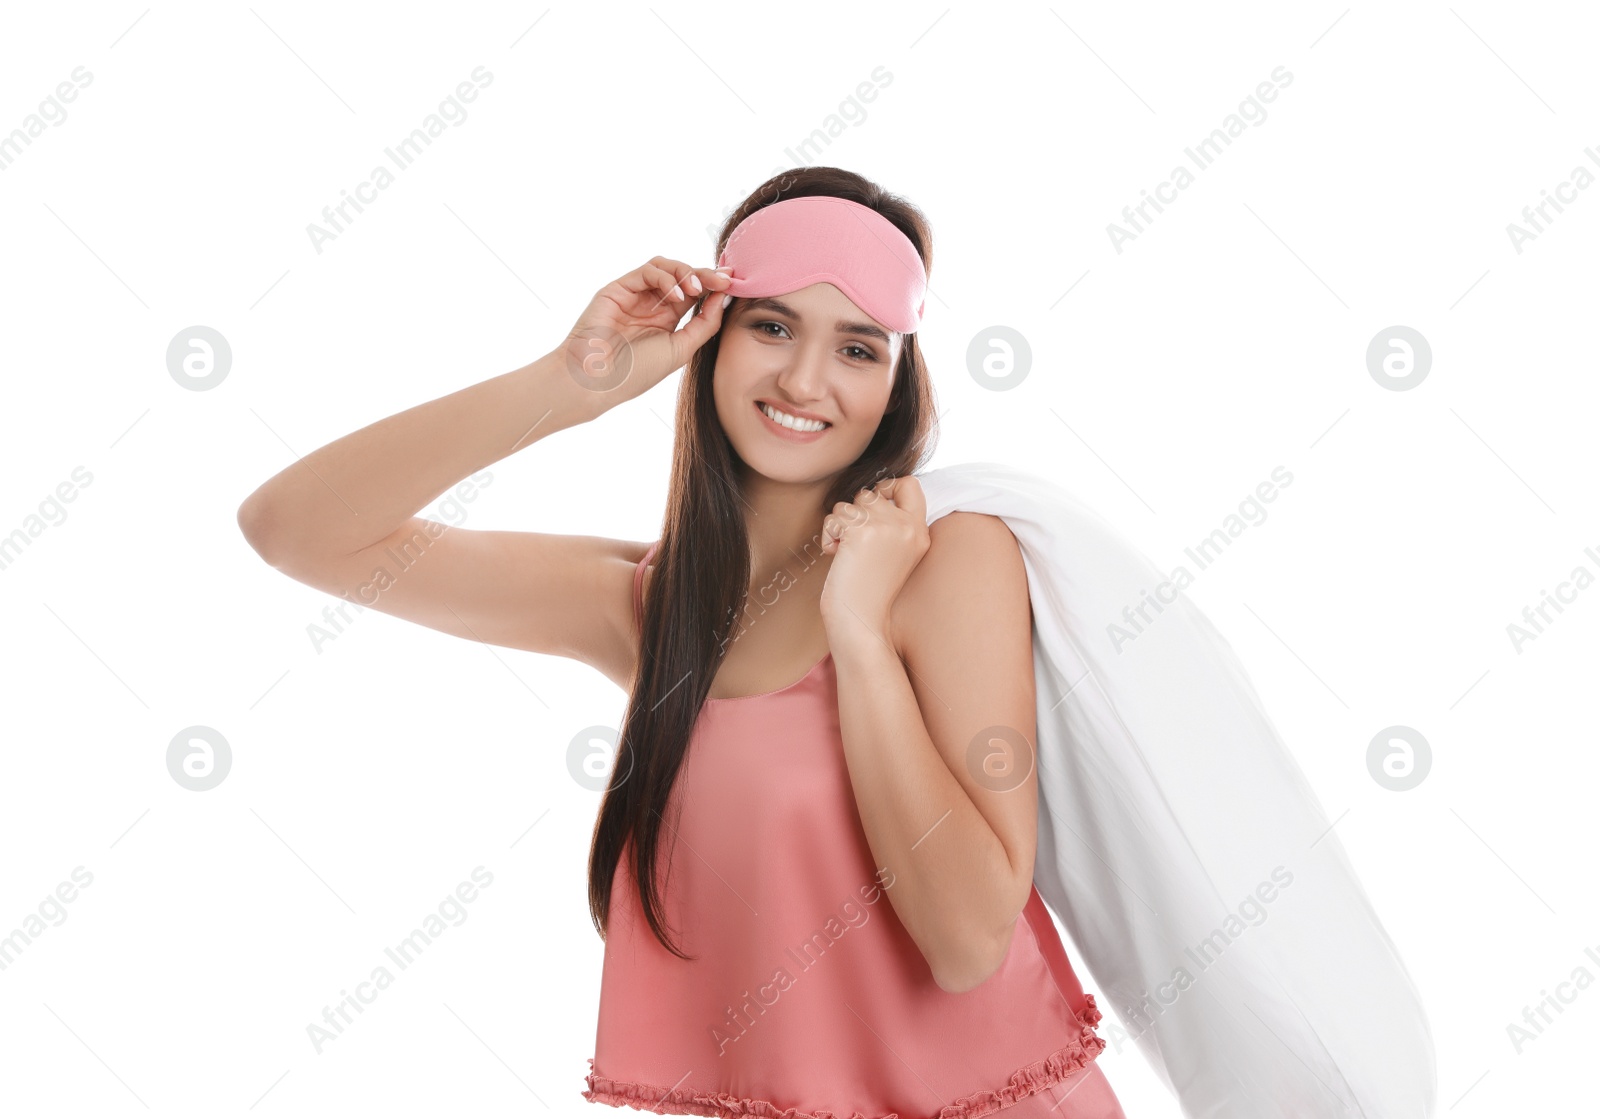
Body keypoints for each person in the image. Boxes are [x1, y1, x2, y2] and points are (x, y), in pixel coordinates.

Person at [236, 167, 1129, 1117]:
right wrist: (566, 387)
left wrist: (859, 637)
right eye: (773, 326)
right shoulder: (646, 611)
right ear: (712, 337)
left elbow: (967, 943)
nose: (803, 380)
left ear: (897, 383)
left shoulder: (947, 561)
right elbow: (295, 528)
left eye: (859, 349)